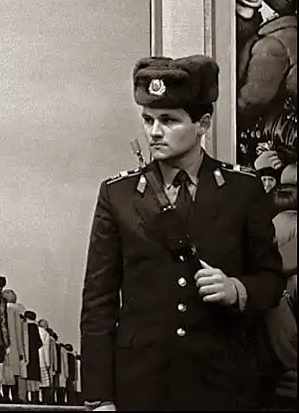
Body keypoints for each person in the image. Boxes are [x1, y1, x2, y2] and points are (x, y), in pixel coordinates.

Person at [80, 54, 286, 411]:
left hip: (222, 386)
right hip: (141, 386)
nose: (154, 132)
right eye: (148, 120)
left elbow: (271, 279)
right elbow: (98, 303)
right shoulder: (118, 195)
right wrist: (99, 399)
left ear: (203, 123)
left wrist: (237, 290)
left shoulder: (243, 190)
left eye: (169, 120)